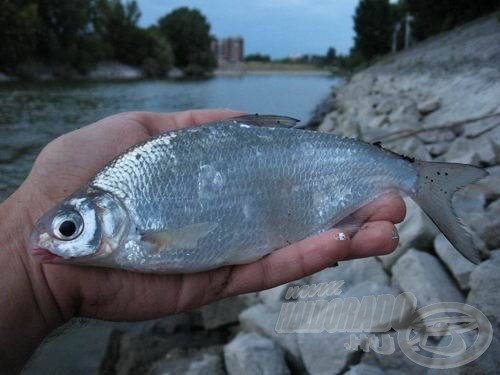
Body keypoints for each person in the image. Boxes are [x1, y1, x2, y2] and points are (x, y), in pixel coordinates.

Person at [0, 109, 405, 372]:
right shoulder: (116, 196)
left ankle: (410, 176)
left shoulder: (132, 231)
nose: (50, 244)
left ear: (105, 212)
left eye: (68, 230)